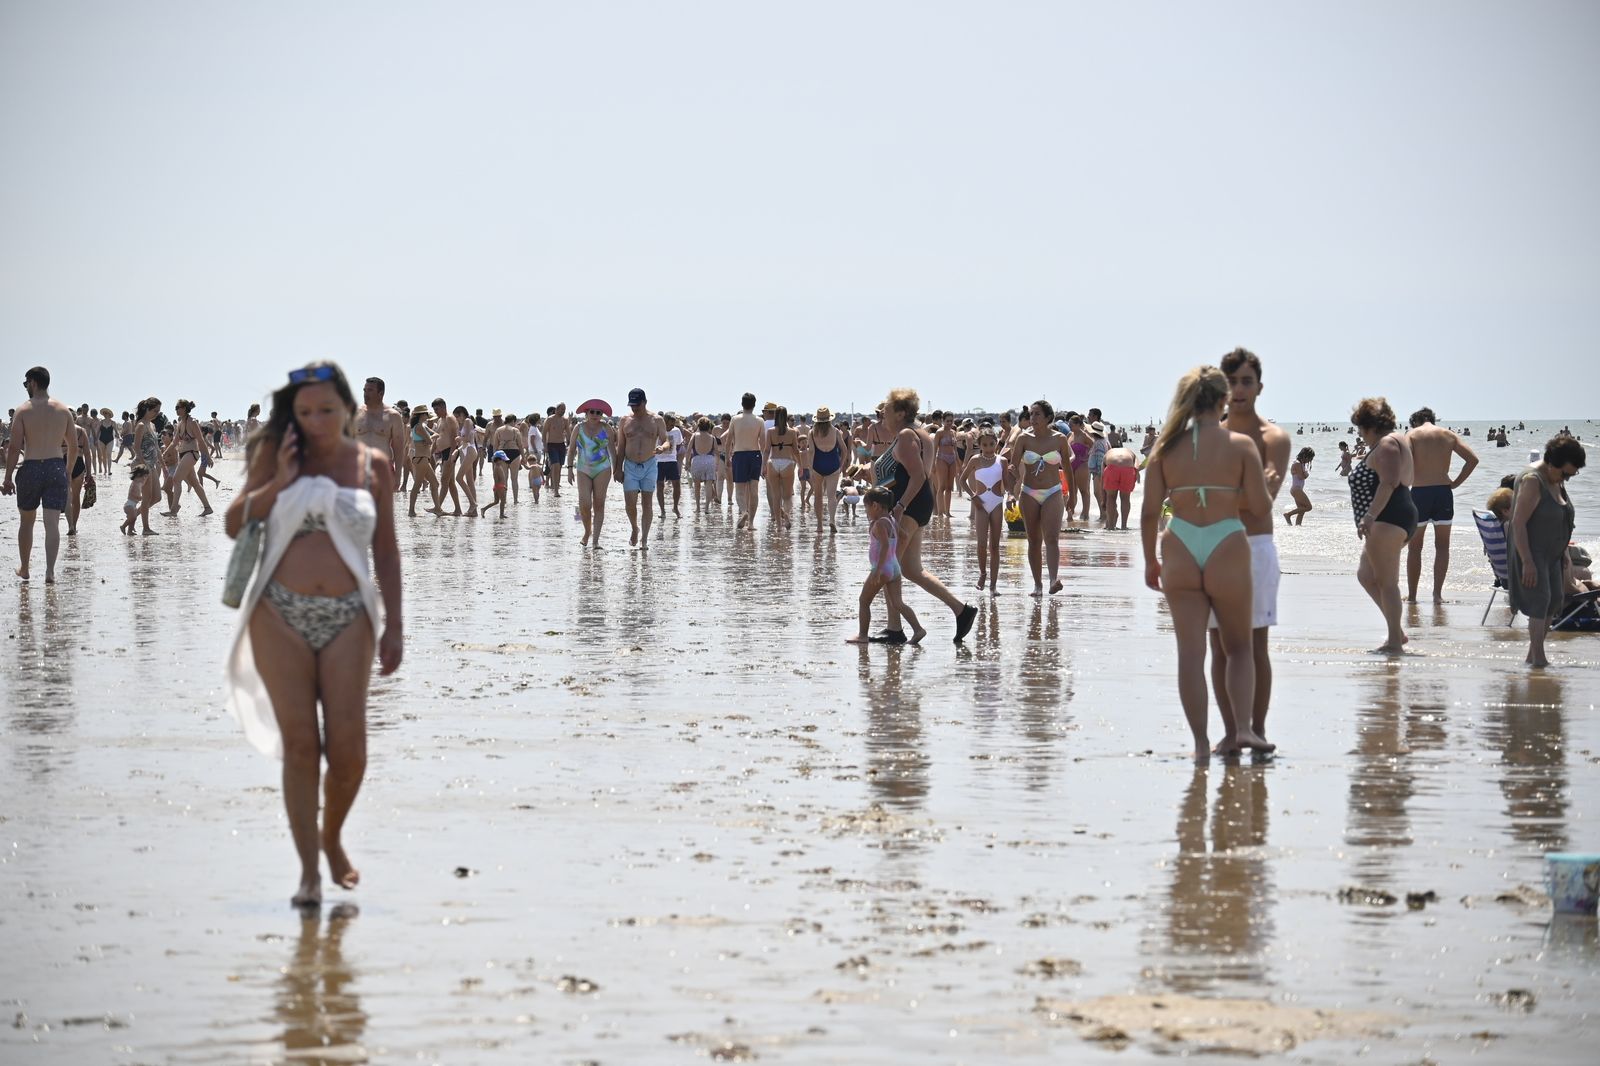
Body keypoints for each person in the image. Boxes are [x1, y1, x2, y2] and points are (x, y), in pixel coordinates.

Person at [224, 361, 402, 909]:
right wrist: (278, 482)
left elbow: (386, 550)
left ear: (348, 409)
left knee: (348, 752)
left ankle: (331, 838)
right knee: (301, 747)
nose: (318, 421)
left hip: (351, 614)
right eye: (306, 412)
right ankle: (308, 872)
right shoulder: (275, 454)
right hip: (278, 613)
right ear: (292, 413)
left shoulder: (373, 465)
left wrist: (395, 623)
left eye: (328, 410)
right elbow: (234, 523)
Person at [1140, 366, 1274, 759]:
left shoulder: (1164, 448)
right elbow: (1261, 507)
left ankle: (1200, 745)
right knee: (1239, 648)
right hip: (1227, 543)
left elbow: (1148, 513)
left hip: (1180, 543)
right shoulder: (1241, 446)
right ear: (1223, 400)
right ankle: (1245, 730)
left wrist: (1150, 559)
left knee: (1191, 654)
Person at [1207, 349, 1292, 745]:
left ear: (1259, 386)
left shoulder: (1274, 438)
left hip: (1255, 545)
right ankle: (1229, 733)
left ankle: (1256, 731)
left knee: (1257, 645)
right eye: (1232, 382)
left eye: (1246, 381)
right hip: (1212, 545)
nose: (1239, 390)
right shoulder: (1211, 433)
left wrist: (1227, 492)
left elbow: (1264, 502)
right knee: (1219, 647)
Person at [875, 388, 977, 643]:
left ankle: (894, 629)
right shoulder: (921, 433)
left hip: (908, 507)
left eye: (885, 410)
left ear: (900, 412)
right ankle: (961, 610)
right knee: (912, 569)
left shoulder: (907, 435)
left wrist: (898, 508)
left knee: (889, 568)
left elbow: (918, 475)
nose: (881, 415)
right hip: (919, 505)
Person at [1348, 397, 1416, 654]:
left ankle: (1394, 643)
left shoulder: (1387, 444)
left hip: (1388, 518)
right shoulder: (1398, 440)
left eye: (1360, 429)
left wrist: (1369, 516)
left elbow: (1389, 482)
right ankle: (1396, 632)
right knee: (1366, 575)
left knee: (1388, 583)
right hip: (1394, 516)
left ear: (1369, 425)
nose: (1360, 435)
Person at [1508, 435, 1583, 667]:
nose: (1567, 479)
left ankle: (1533, 654)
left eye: (1572, 475)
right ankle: (1539, 658)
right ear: (1551, 463)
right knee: (1540, 602)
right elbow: (1518, 523)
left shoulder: (1556, 477)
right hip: (1532, 552)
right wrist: (1527, 561)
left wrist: (1563, 553)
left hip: (1552, 554)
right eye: (1565, 474)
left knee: (1554, 602)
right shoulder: (1533, 480)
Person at [2, 367, 77, 583]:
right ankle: (50, 572)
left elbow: (15, 447)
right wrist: (68, 470)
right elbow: (73, 445)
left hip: (31, 467)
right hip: (55, 466)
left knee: (27, 521)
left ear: (33, 382)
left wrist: (7, 478)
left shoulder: (23, 410)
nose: (26, 387)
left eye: (26, 383)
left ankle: (25, 568)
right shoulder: (63, 410)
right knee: (52, 522)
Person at [1404, 407, 1480, 603]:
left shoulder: (1411, 435)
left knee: (1415, 548)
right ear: (1433, 419)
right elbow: (1473, 460)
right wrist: (1455, 483)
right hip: (1443, 493)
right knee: (1442, 547)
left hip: (1419, 493)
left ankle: (1412, 597)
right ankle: (1437, 595)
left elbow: (1400, 462)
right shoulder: (1448, 435)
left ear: (1415, 421)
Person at [1007, 401, 1072, 596]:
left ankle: (1053, 579)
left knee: (1052, 537)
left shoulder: (1060, 439)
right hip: (1029, 493)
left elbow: (1068, 470)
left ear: (1048, 418)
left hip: (1053, 491)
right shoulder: (1023, 439)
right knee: (1034, 540)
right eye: (1031, 415)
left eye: (1037, 414)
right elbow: (1012, 467)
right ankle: (1037, 585)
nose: (1032, 418)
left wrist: (1074, 496)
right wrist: (1010, 492)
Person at [846, 487, 926, 645]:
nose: (867, 512)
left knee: (864, 601)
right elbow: (904, 536)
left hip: (881, 569)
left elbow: (883, 547)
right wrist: (893, 557)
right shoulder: (892, 520)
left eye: (866, 508)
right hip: (894, 567)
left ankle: (862, 635)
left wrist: (877, 571)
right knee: (898, 603)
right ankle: (918, 629)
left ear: (875, 506)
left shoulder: (879, 525)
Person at [618, 388, 667, 548]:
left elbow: (666, 440)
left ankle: (644, 539)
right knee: (630, 503)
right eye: (631, 405)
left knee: (647, 503)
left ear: (645, 402)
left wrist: (663, 447)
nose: (634, 409)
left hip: (650, 465)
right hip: (630, 465)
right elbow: (621, 446)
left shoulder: (657, 420)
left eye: (637, 405)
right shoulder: (625, 420)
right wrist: (618, 468)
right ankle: (634, 528)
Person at [961, 424, 1007, 592]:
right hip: (981, 503)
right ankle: (982, 573)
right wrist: (973, 497)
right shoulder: (975, 460)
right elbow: (962, 480)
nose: (988, 448)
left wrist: (1014, 492)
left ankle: (993, 585)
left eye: (991, 444)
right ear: (979, 445)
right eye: (985, 445)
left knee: (994, 545)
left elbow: (1007, 486)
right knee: (981, 544)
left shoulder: (1002, 461)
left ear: (996, 443)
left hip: (996, 502)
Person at [569, 402, 614, 547]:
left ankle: (595, 541)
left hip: (603, 468)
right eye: (592, 412)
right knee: (584, 503)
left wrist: (618, 469)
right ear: (586, 413)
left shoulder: (607, 428)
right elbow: (571, 450)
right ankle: (587, 531)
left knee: (599, 504)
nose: (595, 415)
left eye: (599, 413)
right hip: (583, 469)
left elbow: (613, 450)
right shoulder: (578, 427)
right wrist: (569, 469)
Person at [166, 400, 215, 516]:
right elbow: (174, 442)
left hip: (191, 453)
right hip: (183, 454)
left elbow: (201, 440)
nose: (176, 409)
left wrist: (208, 457)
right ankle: (208, 508)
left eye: (178, 407)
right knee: (195, 483)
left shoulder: (192, 422)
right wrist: (165, 453)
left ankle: (173, 510)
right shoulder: (180, 424)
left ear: (185, 408)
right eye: (175, 408)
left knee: (176, 479)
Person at [353, 377, 406, 482]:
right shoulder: (356, 414)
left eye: (370, 390)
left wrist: (398, 475)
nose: (365, 393)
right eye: (365, 390)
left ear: (381, 393)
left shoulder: (393, 416)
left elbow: (399, 448)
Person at [730, 393, 765, 531]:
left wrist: (727, 456)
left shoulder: (735, 419)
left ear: (742, 404)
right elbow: (762, 442)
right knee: (754, 490)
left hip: (739, 454)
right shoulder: (759, 421)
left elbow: (728, 441)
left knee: (739, 490)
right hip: (755, 454)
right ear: (754, 404)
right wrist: (763, 461)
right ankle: (751, 523)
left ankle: (744, 511)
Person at [807, 406, 845, 532]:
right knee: (831, 496)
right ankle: (832, 520)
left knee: (818, 496)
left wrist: (810, 469)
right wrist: (841, 465)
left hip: (818, 465)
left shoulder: (812, 432)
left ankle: (819, 526)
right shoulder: (835, 431)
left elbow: (811, 452)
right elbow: (844, 450)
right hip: (833, 464)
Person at [763, 406, 799, 530]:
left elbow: (767, 450)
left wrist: (763, 466)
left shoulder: (771, 431)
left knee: (776, 495)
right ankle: (786, 515)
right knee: (787, 496)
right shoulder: (792, 432)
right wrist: (801, 466)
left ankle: (778, 526)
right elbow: (796, 451)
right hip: (788, 463)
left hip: (773, 463)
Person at [1102, 442, 1138, 530]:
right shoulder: (1130, 452)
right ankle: (1124, 526)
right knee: (1125, 498)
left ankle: (1110, 526)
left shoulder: (1107, 453)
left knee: (1111, 497)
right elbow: (1136, 466)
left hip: (1111, 468)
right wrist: (1135, 474)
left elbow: (1102, 478)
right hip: (1128, 468)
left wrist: (1103, 500)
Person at [687, 416, 718, 515]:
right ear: (709, 426)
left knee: (697, 486)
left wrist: (687, 462)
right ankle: (707, 508)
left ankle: (698, 508)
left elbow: (688, 450)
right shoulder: (712, 438)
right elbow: (717, 452)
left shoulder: (695, 435)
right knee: (709, 484)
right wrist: (716, 465)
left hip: (697, 460)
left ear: (699, 426)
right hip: (710, 460)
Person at [654, 412, 683, 519]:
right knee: (660, 485)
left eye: (673, 424)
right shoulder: (657, 430)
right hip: (659, 461)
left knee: (677, 484)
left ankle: (675, 507)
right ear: (664, 422)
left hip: (672, 460)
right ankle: (662, 510)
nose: (671, 426)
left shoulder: (676, 431)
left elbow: (679, 443)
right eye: (670, 424)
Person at [1281, 447, 1314, 525]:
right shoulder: (1297, 463)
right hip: (1296, 490)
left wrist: (1305, 473)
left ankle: (1298, 526)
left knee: (1301, 511)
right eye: (1310, 458)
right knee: (1309, 507)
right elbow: (1301, 477)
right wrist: (1307, 474)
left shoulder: (1301, 464)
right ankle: (1288, 514)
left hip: (1297, 489)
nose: (1310, 461)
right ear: (1305, 455)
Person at [120, 465, 149, 534]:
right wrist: (140, 497)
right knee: (133, 517)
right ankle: (123, 526)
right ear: (138, 475)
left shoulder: (139, 483)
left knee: (133, 518)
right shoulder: (135, 484)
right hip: (129, 505)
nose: (144, 479)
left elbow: (143, 483)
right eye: (144, 477)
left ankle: (130, 531)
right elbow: (132, 494)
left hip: (133, 505)